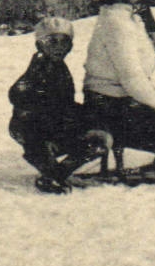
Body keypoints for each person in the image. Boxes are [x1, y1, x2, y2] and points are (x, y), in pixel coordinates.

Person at [81, 0, 155, 170]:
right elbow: (132, 78)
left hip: (116, 100)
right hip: (111, 106)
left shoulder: (124, 18)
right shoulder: (117, 23)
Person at [7, 17, 110, 194]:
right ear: (40, 44)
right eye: (52, 41)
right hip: (36, 132)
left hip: (44, 128)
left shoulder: (56, 65)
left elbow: (63, 103)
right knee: (96, 142)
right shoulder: (41, 67)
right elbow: (18, 92)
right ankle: (53, 173)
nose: (59, 47)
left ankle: (52, 169)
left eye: (64, 42)